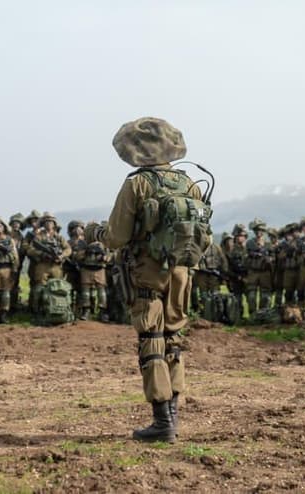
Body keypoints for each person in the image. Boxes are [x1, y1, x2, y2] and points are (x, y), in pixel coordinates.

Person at [91, 117, 203, 443]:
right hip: (182, 273)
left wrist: (93, 232)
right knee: (174, 340)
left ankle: (162, 421)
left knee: (152, 341)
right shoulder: (189, 184)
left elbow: (115, 236)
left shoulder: (137, 184)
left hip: (146, 273)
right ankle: (173, 415)